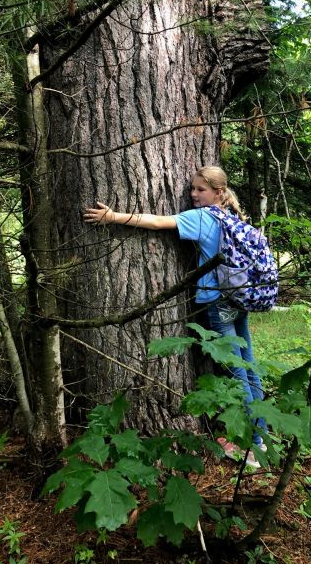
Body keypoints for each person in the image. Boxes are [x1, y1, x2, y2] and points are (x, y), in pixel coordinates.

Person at [84, 165, 268, 468]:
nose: (193, 194)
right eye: (193, 188)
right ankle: (261, 434)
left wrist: (112, 216)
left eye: (200, 190)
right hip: (238, 299)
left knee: (237, 371)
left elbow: (156, 222)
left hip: (219, 304)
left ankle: (252, 446)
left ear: (218, 193)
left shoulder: (204, 217)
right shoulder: (231, 218)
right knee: (248, 367)